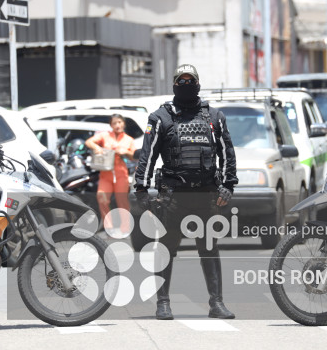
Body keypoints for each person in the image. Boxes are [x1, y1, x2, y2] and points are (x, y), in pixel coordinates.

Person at [133, 64, 238, 320]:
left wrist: (228, 185)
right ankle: (163, 303)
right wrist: (141, 189)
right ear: (174, 85)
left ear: (198, 84)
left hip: (206, 194)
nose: (187, 85)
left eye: (191, 81)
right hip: (173, 196)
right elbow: (148, 155)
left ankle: (216, 304)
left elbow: (227, 153)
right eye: (182, 81)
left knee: (209, 248)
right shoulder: (161, 118)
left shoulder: (214, 117)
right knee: (166, 249)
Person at [85, 114, 136, 234]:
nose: (117, 125)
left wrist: (125, 152)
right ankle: (109, 227)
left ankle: (125, 228)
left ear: (123, 123)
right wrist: (96, 148)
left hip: (121, 173)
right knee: (101, 197)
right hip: (106, 173)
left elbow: (134, 156)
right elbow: (88, 142)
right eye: (114, 123)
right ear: (111, 125)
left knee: (122, 201)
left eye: (119, 122)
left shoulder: (129, 139)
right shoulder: (105, 136)